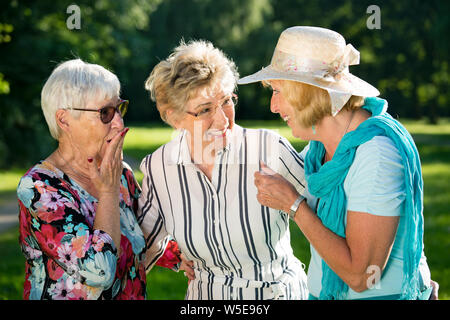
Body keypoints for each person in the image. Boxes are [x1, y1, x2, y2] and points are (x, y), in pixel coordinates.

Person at [239, 26, 437, 300]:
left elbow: (361, 275)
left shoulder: (376, 154)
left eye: (278, 91)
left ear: (307, 92)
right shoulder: (315, 151)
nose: (273, 106)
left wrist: (294, 205)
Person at [138, 40, 309, 300]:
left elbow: (330, 213)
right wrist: (174, 257)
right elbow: (142, 244)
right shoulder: (159, 167)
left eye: (227, 101)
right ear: (174, 117)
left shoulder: (269, 149)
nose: (222, 119)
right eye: (205, 109)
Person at [17, 59, 181, 300]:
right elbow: (99, 271)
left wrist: (188, 257)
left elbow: (148, 232)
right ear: (64, 120)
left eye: (119, 109)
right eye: (105, 113)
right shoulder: (39, 188)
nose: (119, 123)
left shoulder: (119, 173)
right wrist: (108, 192)